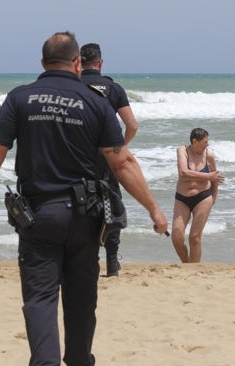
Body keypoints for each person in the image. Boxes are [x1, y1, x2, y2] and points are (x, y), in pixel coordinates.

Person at [0, 31, 168, 366]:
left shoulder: (20, 97)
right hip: (85, 218)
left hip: (39, 216)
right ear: (78, 63)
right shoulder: (95, 101)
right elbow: (121, 162)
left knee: (40, 301)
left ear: (42, 64)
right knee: (80, 301)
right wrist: (154, 209)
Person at [80, 43, 139, 277]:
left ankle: (88, 259)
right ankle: (112, 261)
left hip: (79, 155)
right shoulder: (113, 88)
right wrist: (120, 147)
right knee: (111, 201)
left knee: (82, 203)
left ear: (78, 62)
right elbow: (132, 125)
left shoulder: (73, 86)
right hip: (107, 155)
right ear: (100, 62)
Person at [171, 128, 224, 263]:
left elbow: (215, 179)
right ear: (195, 141)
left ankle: (193, 269)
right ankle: (187, 263)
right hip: (182, 198)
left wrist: (213, 198)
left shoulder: (209, 156)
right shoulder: (182, 151)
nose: (208, 144)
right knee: (177, 238)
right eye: (205, 141)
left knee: (194, 238)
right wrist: (207, 176)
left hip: (203, 197)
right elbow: (183, 172)